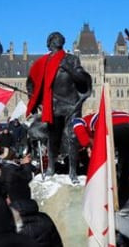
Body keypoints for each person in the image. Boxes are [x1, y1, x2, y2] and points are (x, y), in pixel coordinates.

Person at [25, 32, 92, 179]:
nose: (58, 38)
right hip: (53, 104)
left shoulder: (71, 59)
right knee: (52, 136)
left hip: (71, 104)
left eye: (59, 37)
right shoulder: (43, 62)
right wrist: (34, 101)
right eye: (54, 37)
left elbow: (82, 79)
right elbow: (31, 82)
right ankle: (51, 168)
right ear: (49, 43)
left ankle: (73, 171)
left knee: (72, 136)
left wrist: (68, 68)